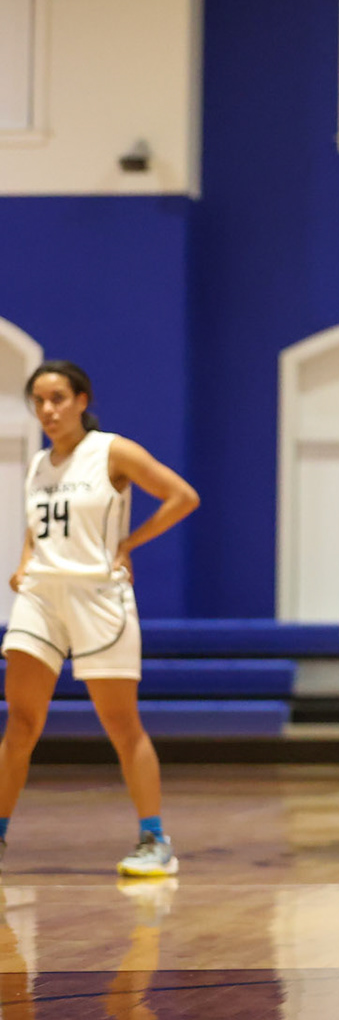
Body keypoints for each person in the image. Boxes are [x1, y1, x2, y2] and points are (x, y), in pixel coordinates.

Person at [1, 361, 200, 877]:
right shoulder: (40, 463)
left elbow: (183, 497)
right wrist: (25, 561)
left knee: (121, 725)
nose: (48, 409)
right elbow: (37, 525)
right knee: (20, 722)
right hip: (42, 597)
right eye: (39, 401)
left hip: (98, 598)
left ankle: (155, 839)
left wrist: (127, 545)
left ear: (81, 400)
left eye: (58, 398)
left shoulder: (112, 450)